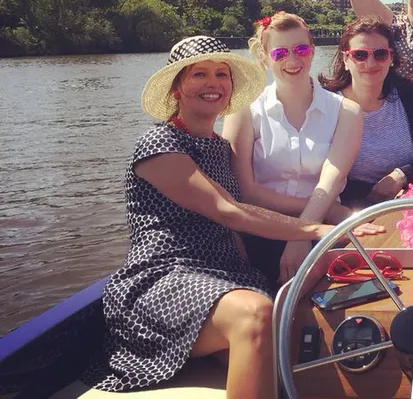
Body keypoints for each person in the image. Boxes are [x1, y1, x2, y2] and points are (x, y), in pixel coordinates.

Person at [86, 36, 382, 398]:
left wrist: (336, 225)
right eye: (199, 75)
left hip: (224, 274)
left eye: (222, 74)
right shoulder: (159, 144)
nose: (213, 84)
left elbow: (241, 217)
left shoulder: (219, 148)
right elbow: (230, 211)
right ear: (178, 88)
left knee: (297, 325)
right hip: (165, 277)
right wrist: (317, 228)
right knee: (256, 313)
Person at [222, 12, 364, 288]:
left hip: (324, 230)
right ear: (263, 58)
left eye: (301, 49)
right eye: (280, 53)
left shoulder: (347, 111)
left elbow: (330, 181)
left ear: (312, 50)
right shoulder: (244, 111)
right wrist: (324, 216)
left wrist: (302, 234)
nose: (293, 60)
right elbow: (246, 191)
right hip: (262, 230)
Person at [319, 17, 413, 208]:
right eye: (360, 55)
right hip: (348, 211)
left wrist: (401, 175)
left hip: (408, 204)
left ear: (391, 58)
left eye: (380, 54)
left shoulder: (410, 97)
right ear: (345, 59)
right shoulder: (326, 105)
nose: (371, 62)